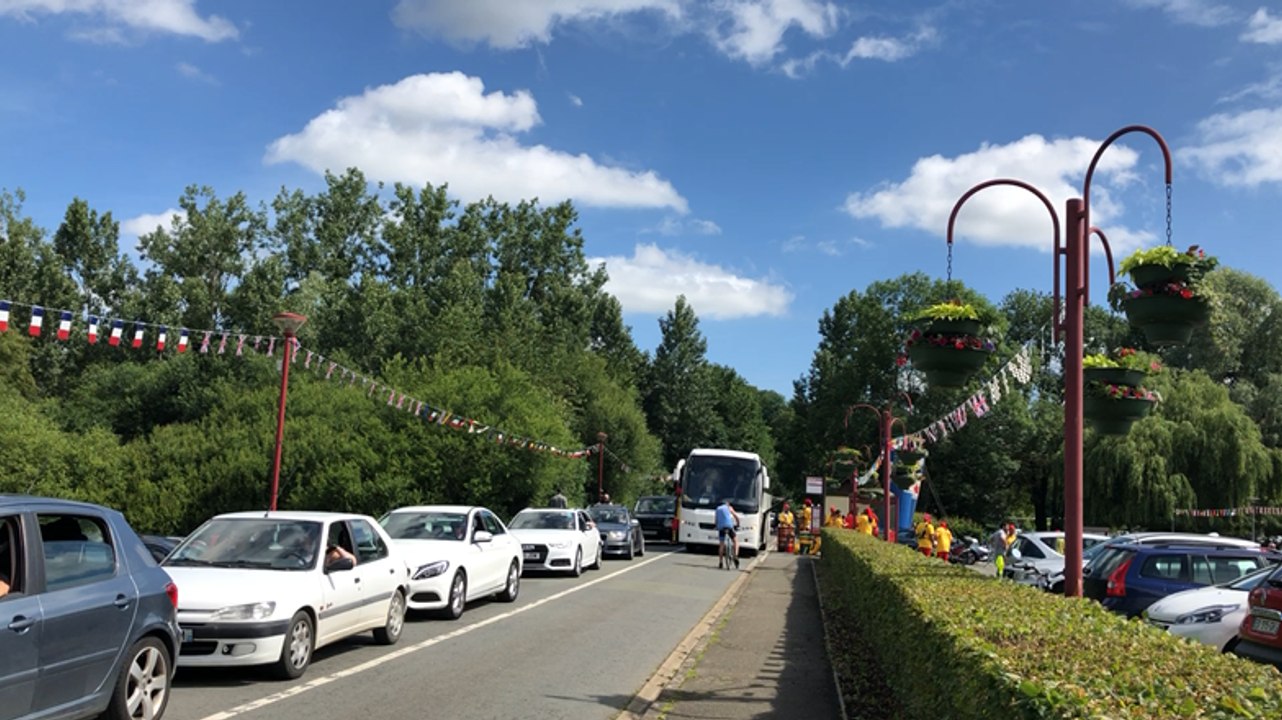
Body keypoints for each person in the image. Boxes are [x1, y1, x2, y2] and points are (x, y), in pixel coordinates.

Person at [715, 498, 740, 569]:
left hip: (721, 527)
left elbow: (716, 520)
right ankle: (736, 556)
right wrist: (738, 524)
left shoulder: (717, 509)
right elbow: (736, 517)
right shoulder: (729, 508)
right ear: (727, 503)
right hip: (729, 526)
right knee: (735, 541)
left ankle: (720, 562)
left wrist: (717, 526)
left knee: (721, 544)